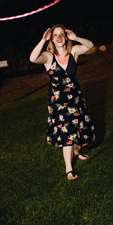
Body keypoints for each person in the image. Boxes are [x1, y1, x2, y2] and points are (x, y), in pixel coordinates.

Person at [27, 24, 95, 180]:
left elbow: (91, 46)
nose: (58, 37)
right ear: (51, 39)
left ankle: (77, 151)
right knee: (67, 132)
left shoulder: (74, 52)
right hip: (58, 101)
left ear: (66, 37)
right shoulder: (48, 57)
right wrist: (42, 41)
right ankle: (69, 169)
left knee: (78, 126)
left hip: (75, 97)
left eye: (61, 34)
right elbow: (32, 58)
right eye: (55, 35)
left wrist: (76, 37)